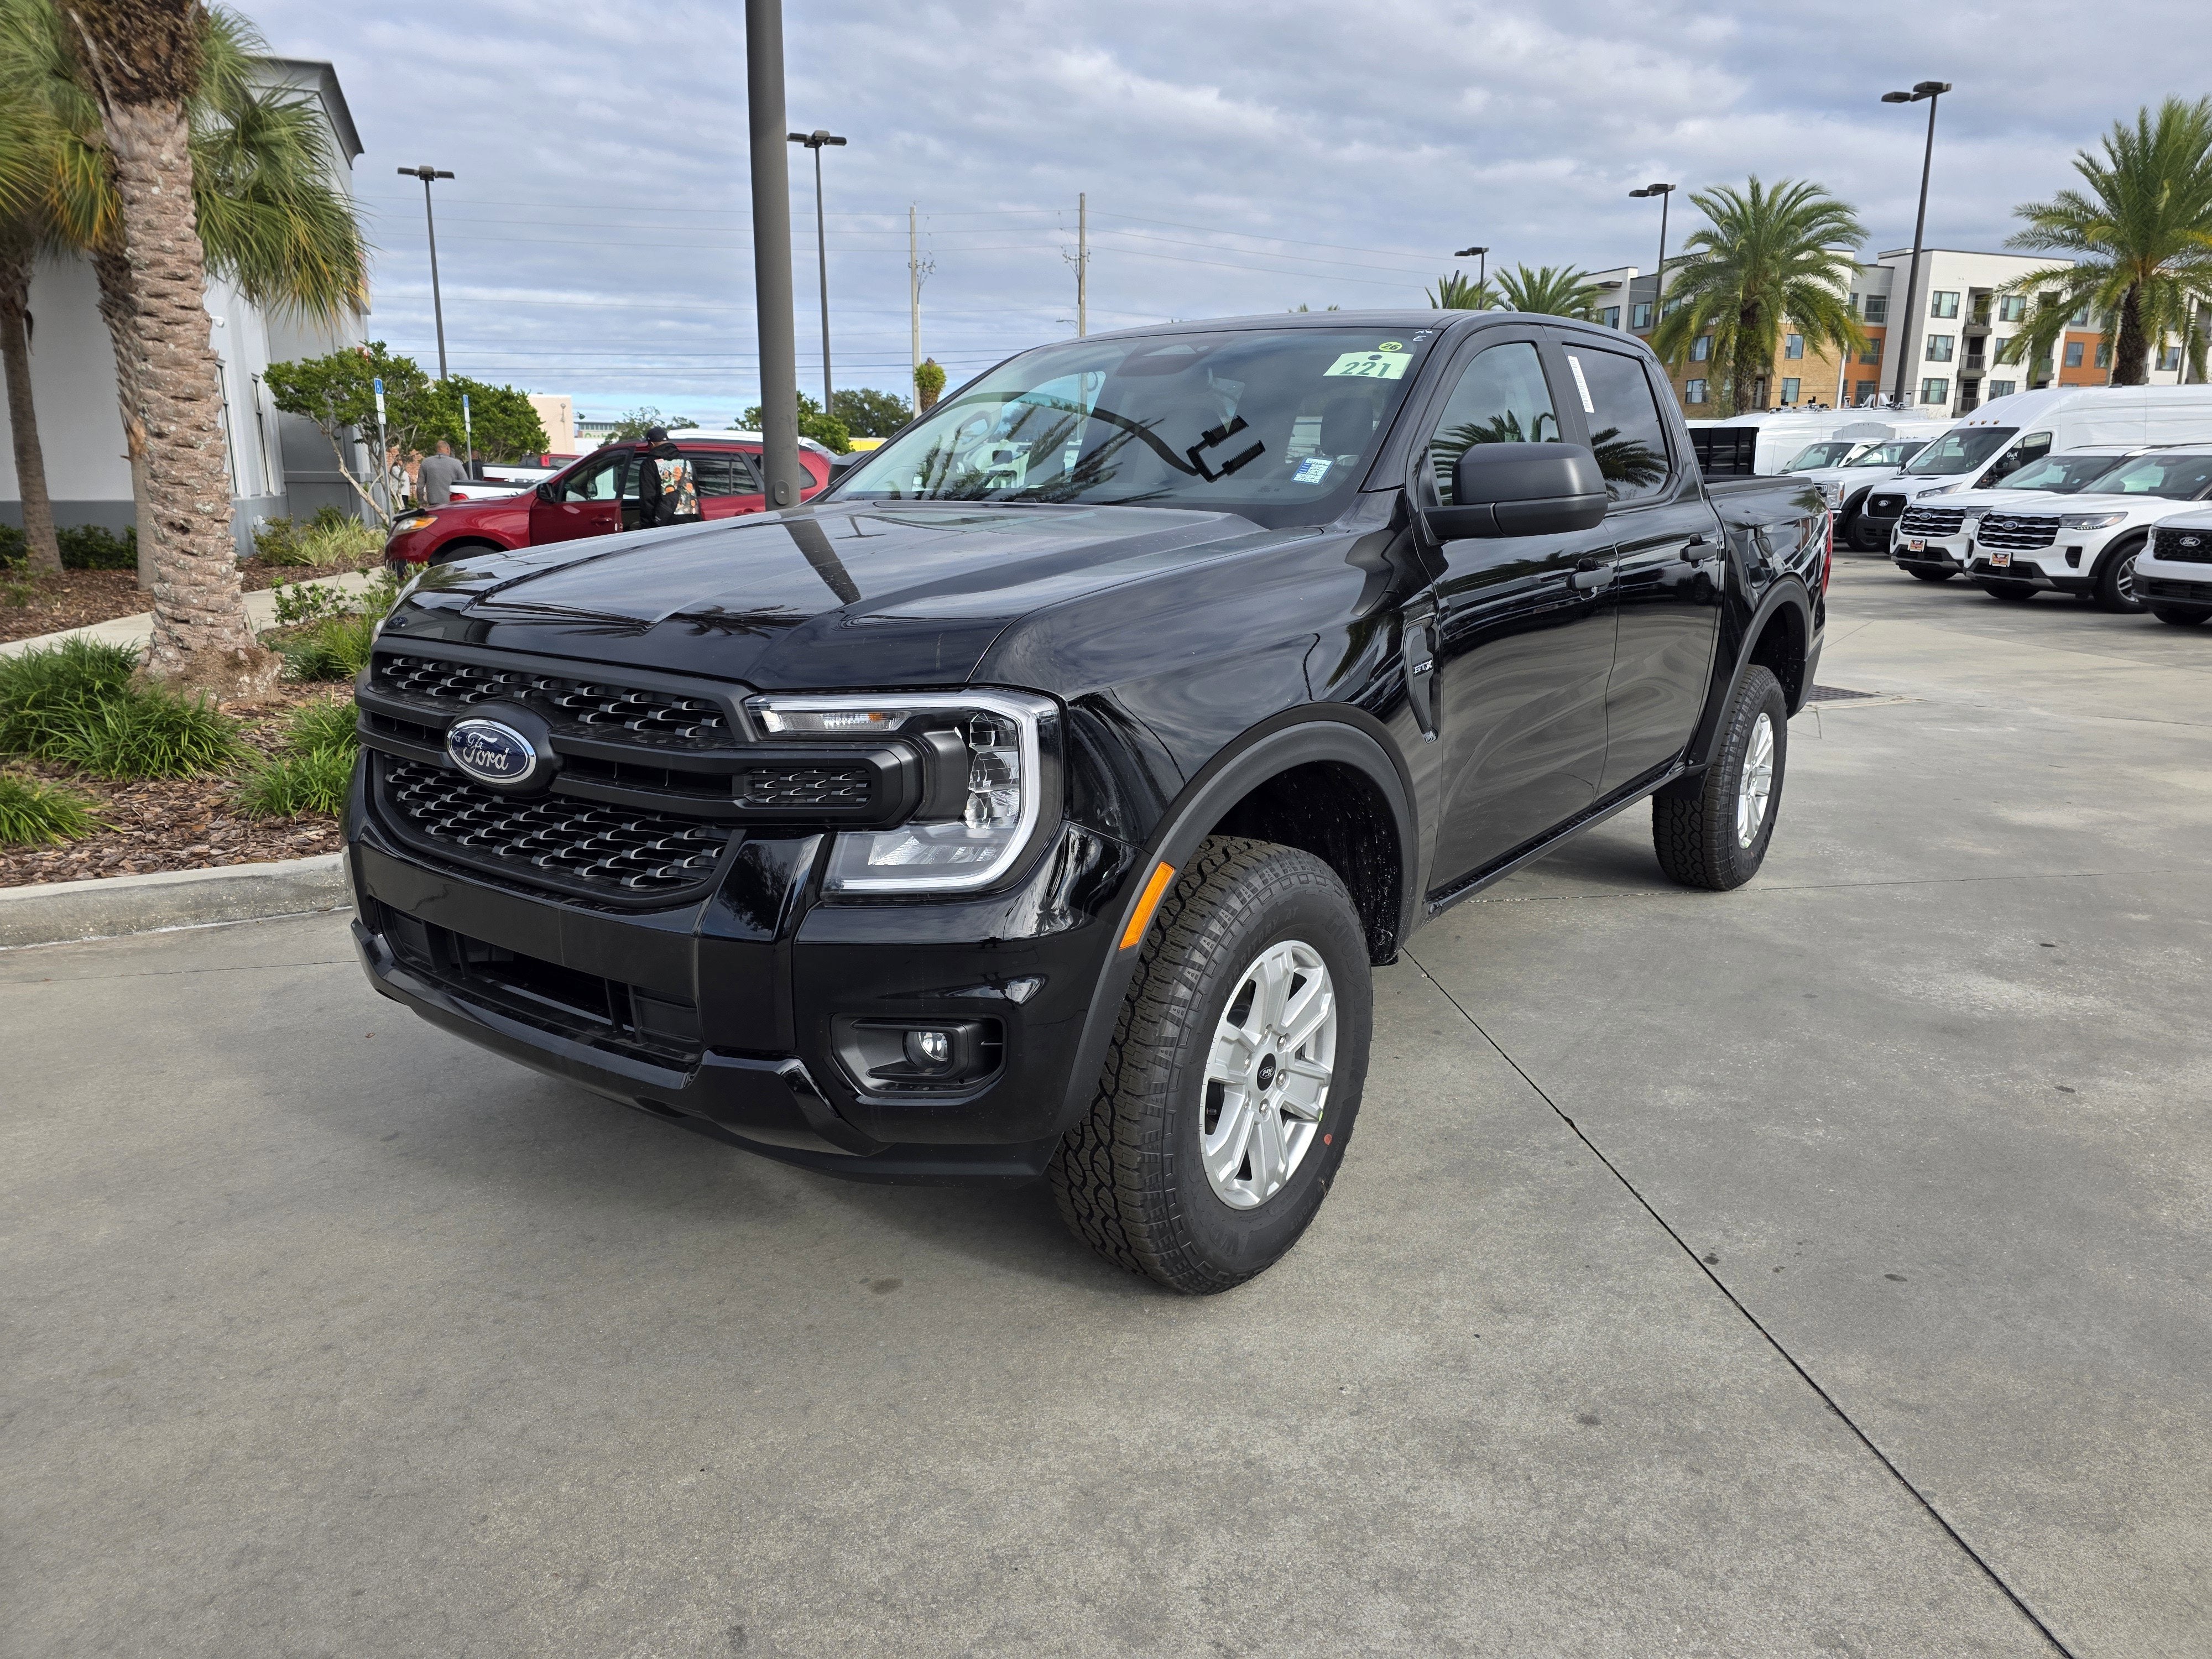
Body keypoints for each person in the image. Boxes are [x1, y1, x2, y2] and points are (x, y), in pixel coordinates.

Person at [634, 426, 697, 528]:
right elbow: (696, 489)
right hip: (692, 519)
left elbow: (648, 498)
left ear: (652, 444)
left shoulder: (650, 464)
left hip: (666, 522)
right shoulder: (687, 461)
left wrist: (646, 526)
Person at [416, 439, 469, 507]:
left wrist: (421, 501)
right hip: (452, 503)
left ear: (437, 449)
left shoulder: (426, 462)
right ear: (448, 449)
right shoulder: (456, 463)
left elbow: (420, 485)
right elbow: (465, 483)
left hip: (433, 503)